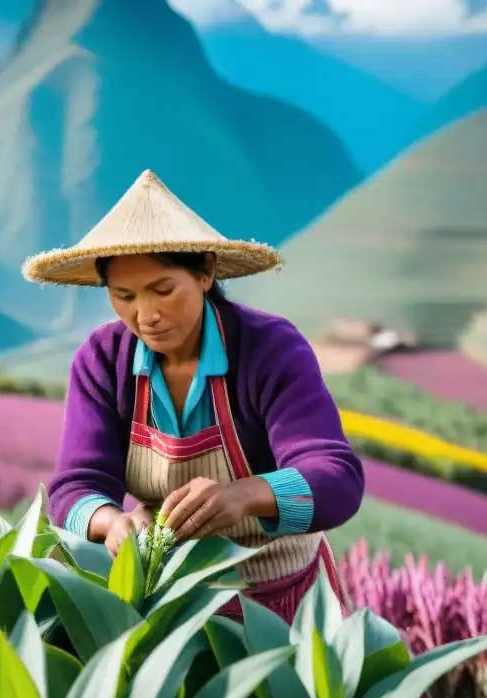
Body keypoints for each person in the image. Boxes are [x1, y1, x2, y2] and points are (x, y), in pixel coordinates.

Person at [24, 169, 364, 623]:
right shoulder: (103, 361)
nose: (146, 316)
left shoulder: (270, 350)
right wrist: (111, 521)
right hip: (166, 605)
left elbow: (336, 480)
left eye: (163, 291)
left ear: (205, 271)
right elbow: (76, 486)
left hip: (282, 605)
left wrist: (246, 495)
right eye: (123, 296)